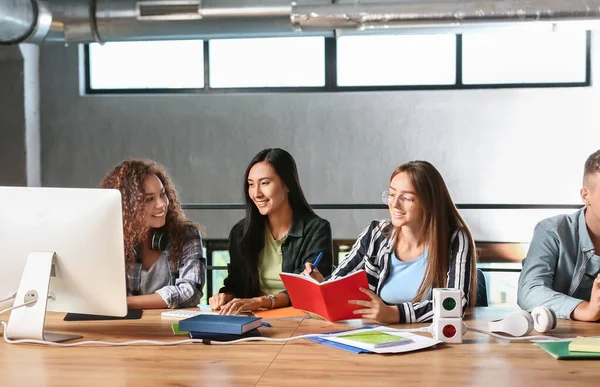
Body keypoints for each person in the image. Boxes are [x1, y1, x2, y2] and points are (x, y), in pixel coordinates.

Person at [302, 160, 477, 323]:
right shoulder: (376, 234)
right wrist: (321, 285)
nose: (394, 204)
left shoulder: (455, 239)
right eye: (392, 194)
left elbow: (455, 303)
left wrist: (394, 313)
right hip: (380, 336)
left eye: (406, 198)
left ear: (429, 203)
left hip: (433, 340)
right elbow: (340, 278)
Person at [209, 148, 333, 315]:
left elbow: (306, 289)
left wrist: (261, 301)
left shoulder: (317, 229)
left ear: (288, 184)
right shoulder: (240, 232)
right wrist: (226, 296)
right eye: (251, 184)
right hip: (255, 318)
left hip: (300, 317)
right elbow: (236, 284)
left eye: (265, 183)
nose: (256, 193)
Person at [100, 159, 205, 309]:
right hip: (123, 327)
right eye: (149, 199)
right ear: (127, 206)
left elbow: (190, 292)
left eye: (162, 194)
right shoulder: (110, 239)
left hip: (169, 327)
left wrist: (124, 303)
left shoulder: (187, 234)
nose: (162, 204)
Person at [518, 149, 600, 321]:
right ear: (586, 196)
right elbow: (530, 291)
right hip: (557, 338)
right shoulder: (552, 232)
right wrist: (586, 309)